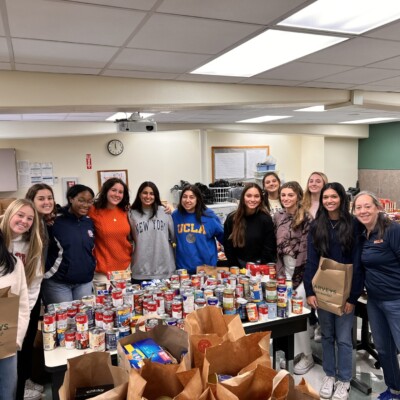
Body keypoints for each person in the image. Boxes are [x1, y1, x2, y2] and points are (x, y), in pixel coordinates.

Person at [304, 183, 363, 400]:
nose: (329, 201)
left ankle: (344, 380)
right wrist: (310, 290)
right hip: (322, 290)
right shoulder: (317, 225)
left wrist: (353, 296)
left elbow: (357, 262)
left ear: (341, 199)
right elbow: (311, 260)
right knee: (327, 335)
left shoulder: (354, 225)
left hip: (345, 291)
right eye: (326, 197)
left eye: (333, 197)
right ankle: (330, 374)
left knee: (344, 338)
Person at [353, 191, 400, 400]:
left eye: (367, 206)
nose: (363, 211)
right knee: (384, 348)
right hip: (374, 301)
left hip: (396, 300)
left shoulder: (392, 230)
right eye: (358, 207)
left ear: (377, 208)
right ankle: (394, 389)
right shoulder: (364, 234)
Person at [0, 199, 43, 400]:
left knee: (9, 380)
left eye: (30, 218)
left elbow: (30, 291)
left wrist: (18, 331)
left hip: (10, 314)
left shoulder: (28, 250)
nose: (24, 221)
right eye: (20, 215)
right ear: (9, 213)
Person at [273, 181, 314, 375]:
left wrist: (299, 279)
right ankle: (291, 353)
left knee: (299, 314)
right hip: (283, 272)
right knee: (285, 316)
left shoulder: (306, 217)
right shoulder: (278, 216)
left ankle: (307, 355)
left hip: (302, 272)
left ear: (298, 196)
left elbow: (307, 249)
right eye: (283, 195)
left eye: (290, 195)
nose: (286, 198)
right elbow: (276, 245)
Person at [41, 184, 96, 305]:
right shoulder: (54, 221)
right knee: (64, 322)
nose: (85, 205)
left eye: (89, 201)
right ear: (71, 199)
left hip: (84, 281)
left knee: (85, 321)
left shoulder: (89, 222)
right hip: (58, 283)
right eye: (81, 200)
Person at [0, 230, 29, 400]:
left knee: (7, 392)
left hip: (6, 345)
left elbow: (23, 307)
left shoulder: (14, 265)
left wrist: (16, 339)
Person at [88, 178, 132, 286]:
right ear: (106, 190)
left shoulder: (125, 211)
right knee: (104, 302)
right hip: (102, 269)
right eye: (113, 190)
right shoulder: (93, 210)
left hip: (124, 267)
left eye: (120, 192)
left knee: (124, 301)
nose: (117, 194)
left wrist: (168, 208)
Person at [129, 181, 175, 282]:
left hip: (164, 269)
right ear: (139, 194)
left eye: (152, 193)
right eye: (145, 193)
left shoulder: (164, 211)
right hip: (140, 271)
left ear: (156, 196)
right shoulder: (131, 214)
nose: (148, 196)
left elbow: (175, 238)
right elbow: (127, 239)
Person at [172, 185, 224, 274]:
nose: (187, 200)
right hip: (183, 270)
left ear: (198, 199)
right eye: (184, 197)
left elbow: (224, 238)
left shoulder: (209, 216)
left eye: (191, 197)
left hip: (206, 269)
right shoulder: (175, 215)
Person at [224, 183, 276, 267]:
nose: (252, 199)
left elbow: (269, 247)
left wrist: (261, 268)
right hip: (237, 264)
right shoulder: (232, 218)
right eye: (249, 196)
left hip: (259, 264)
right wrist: (235, 266)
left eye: (256, 196)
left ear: (260, 199)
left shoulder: (265, 219)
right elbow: (228, 246)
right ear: (243, 198)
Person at [303, 171, 328, 341]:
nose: (313, 183)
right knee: (307, 288)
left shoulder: (328, 203)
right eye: (311, 181)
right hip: (302, 252)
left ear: (324, 184)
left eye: (318, 181)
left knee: (321, 288)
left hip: (322, 252)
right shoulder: (302, 204)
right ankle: (311, 322)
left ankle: (321, 324)